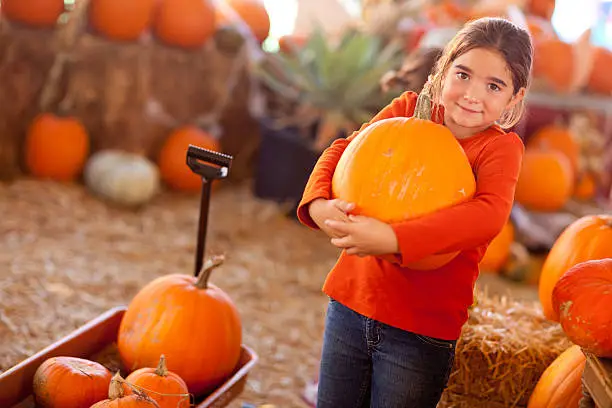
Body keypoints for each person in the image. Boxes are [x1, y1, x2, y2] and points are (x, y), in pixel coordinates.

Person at [295, 17, 533, 408]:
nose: (472, 94)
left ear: (513, 99)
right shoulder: (407, 109)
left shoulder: (499, 150)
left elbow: (488, 215)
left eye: (494, 86)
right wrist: (319, 203)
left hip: (420, 330)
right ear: (443, 72)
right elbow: (343, 150)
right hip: (352, 302)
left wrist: (394, 239)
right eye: (463, 75)